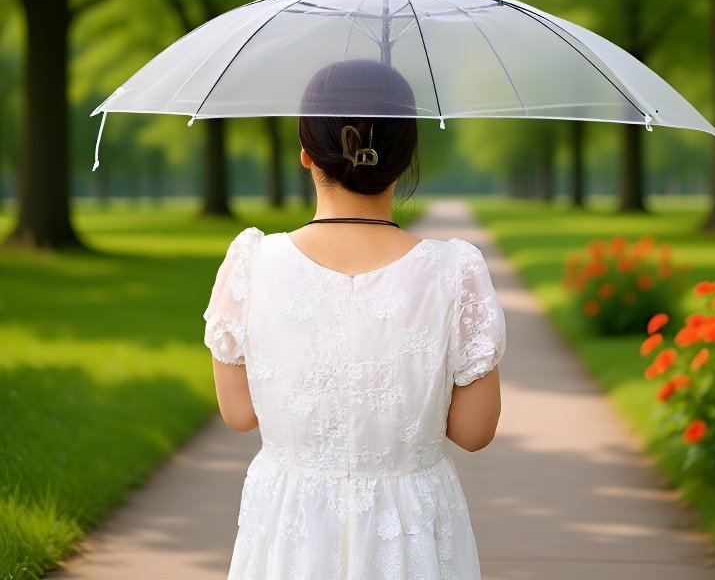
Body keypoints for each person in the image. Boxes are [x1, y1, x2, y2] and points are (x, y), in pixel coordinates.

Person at [202, 60, 506, 579]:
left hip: (291, 525)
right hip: (407, 528)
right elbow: (474, 431)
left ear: (305, 155)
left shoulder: (252, 263)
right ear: (406, 158)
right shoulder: (453, 272)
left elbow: (239, 413)